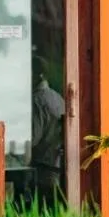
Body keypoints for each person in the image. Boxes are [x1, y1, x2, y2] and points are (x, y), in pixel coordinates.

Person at [31, 62, 65, 198]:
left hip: (43, 170)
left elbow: (32, 139)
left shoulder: (37, 100)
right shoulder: (57, 98)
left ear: (38, 75)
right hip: (57, 166)